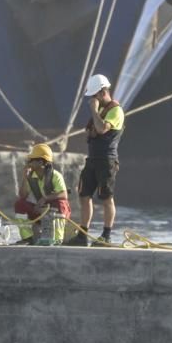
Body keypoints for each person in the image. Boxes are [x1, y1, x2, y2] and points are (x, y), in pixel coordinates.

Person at [67, 74, 125, 246]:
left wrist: (93, 110)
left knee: (106, 198)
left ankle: (106, 235)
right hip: (92, 160)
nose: (92, 99)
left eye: (94, 95)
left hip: (106, 161)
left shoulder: (116, 111)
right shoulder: (101, 110)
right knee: (84, 195)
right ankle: (82, 234)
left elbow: (101, 129)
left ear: (101, 92)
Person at [14, 143, 71, 244]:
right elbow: (22, 196)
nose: (28, 163)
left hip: (53, 212)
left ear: (41, 162)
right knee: (20, 205)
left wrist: (45, 198)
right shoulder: (30, 176)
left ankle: (57, 239)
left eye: (31, 160)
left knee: (61, 204)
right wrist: (24, 178)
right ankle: (28, 238)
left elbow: (64, 194)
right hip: (39, 212)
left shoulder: (55, 176)